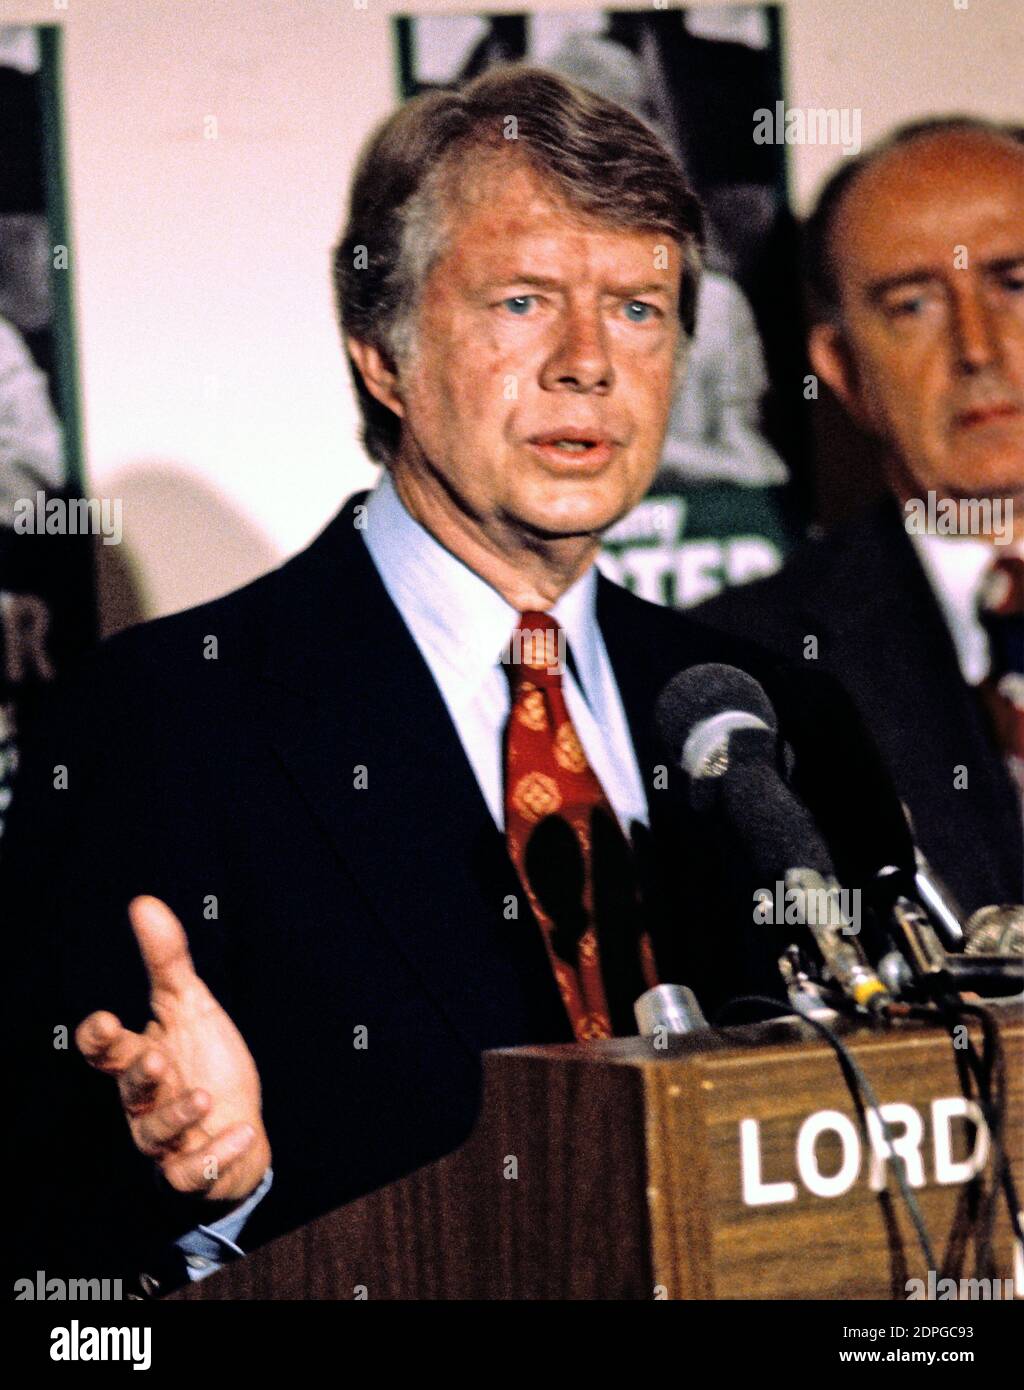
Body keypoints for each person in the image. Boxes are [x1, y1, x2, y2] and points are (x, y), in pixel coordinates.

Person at [7, 67, 868, 1296]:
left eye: (636, 306)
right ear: (382, 353)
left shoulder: (771, 712)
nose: (587, 363)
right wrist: (216, 1187)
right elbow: (50, 1230)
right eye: (523, 300)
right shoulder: (162, 720)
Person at [696, 118, 1024, 915]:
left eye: (1016, 283)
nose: (976, 348)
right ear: (841, 369)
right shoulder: (751, 675)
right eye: (913, 305)